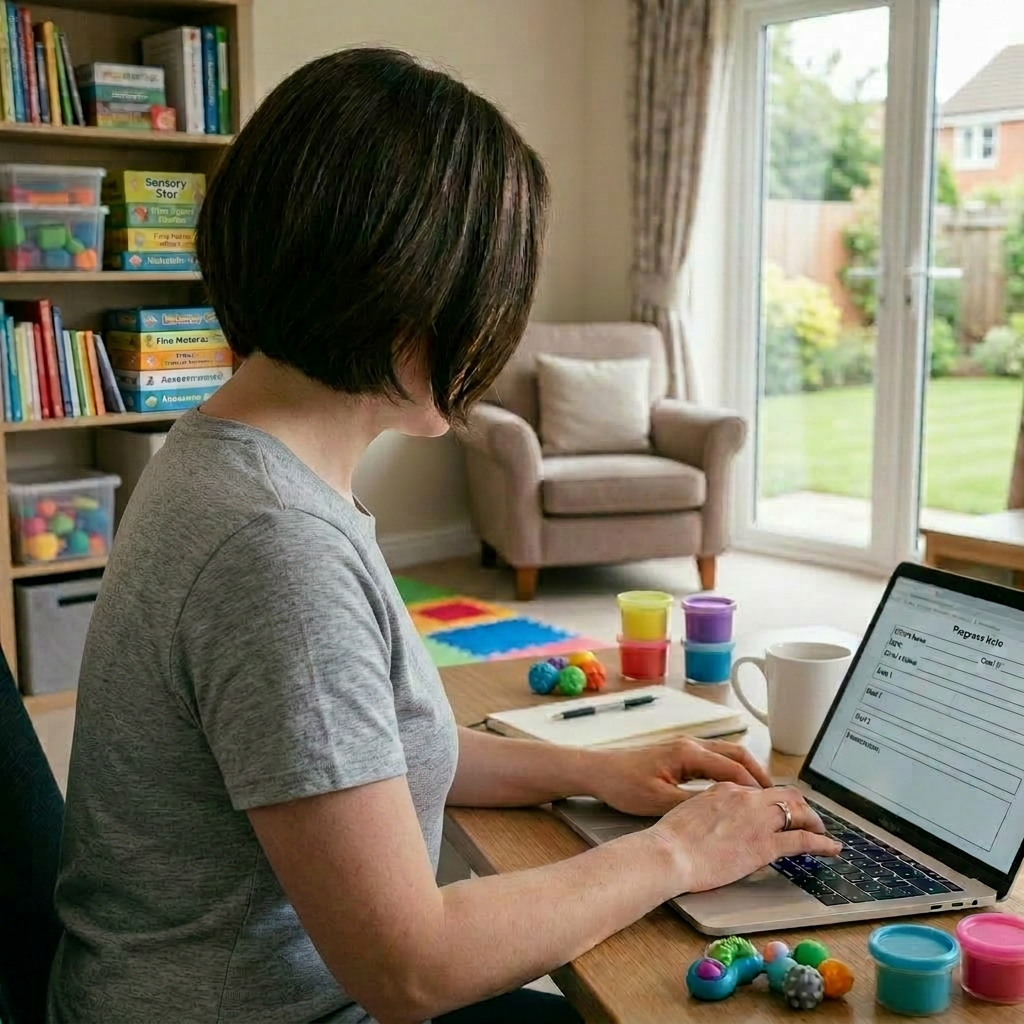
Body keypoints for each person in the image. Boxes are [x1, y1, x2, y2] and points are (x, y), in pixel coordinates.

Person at [46, 48, 840, 1024]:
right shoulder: (276, 549)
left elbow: (354, 757)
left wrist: (591, 773)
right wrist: (683, 849)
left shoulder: (229, 459)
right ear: (406, 295)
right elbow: (409, 967)